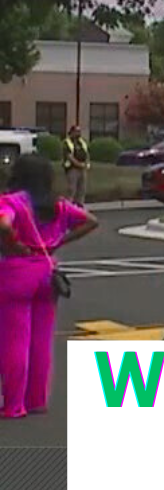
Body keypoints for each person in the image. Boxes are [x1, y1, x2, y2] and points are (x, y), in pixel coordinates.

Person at [0, 154, 98, 419]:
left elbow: (3, 225)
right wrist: (59, 241)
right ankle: (36, 399)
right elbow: (91, 221)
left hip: (16, 272)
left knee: (14, 339)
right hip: (47, 272)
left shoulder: (11, 202)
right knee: (41, 340)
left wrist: (13, 244)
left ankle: (13, 404)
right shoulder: (58, 206)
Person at [61, 125, 90, 206]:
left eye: (79, 131)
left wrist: (86, 163)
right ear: (72, 132)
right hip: (72, 169)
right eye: (77, 131)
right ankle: (69, 207)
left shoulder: (82, 142)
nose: (79, 133)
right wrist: (79, 164)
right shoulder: (67, 142)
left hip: (82, 169)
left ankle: (80, 206)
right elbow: (69, 156)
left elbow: (86, 154)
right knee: (72, 189)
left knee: (82, 189)